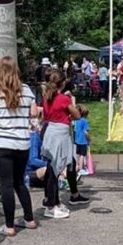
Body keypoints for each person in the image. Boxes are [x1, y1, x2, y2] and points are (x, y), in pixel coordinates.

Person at [0, 56, 39, 236]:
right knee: (19, 182)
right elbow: (33, 113)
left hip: (3, 143)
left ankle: (9, 225)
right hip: (22, 143)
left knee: (6, 184)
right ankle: (29, 219)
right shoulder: (27, 91)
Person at [41, 69, 89, 217]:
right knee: (56, 169)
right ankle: (51, 205)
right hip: (60, 133)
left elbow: (46, 114)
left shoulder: (46, 97)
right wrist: (71, 102)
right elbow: (76, 115)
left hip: (50, 131)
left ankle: (52, 199)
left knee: (52, 167)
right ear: (62, 83)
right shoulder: (63, 99)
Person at [73, 104, 91, 176]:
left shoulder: (76, 121)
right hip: (83, 141)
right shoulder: (84, 121)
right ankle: (81, 169)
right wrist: (89, 139)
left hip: (77, 140)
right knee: (82, 155)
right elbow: (85, 132)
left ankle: (76, 167)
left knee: (77, 155)